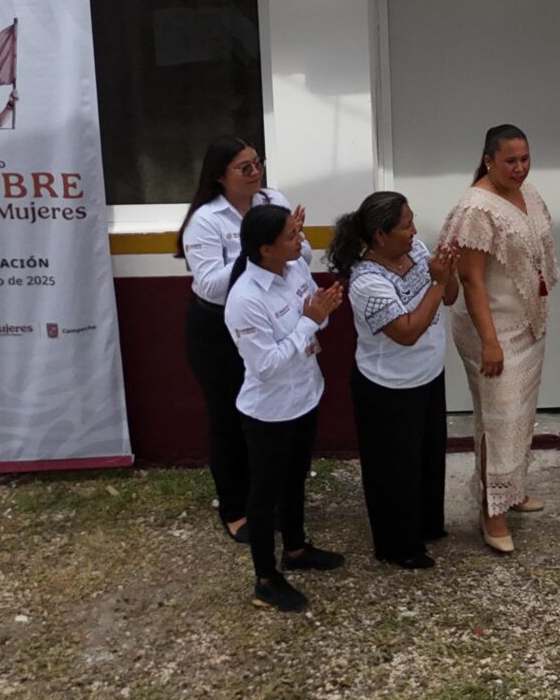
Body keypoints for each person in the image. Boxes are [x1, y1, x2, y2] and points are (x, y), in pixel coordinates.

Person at [440, 124, 559, 555]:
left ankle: (512, 489)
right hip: (491, 331)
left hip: (526, 324)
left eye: (525, 158)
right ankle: (492, 511)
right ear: (488, 160)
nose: (520, 167)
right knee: (497, 420)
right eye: (510, 160)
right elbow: (471, 280)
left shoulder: (528, 193)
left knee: (520, 417)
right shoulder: (477, 208)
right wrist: (490, 342)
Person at [176, 137, 302, 542]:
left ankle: (270, 498)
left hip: (268, 317)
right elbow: (210, 285)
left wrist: (289, 245)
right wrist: (255, 252)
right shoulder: (206, 219)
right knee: (230, 417)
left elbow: (298, 256)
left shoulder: (272, 200)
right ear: (219, 176)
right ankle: (235, 508)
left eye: (257, 163)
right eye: (244, 168)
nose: (255, 173)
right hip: (217, 329)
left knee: (271, 413)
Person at [225, 203, 344, 613]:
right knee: (265, 495)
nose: (301, 240)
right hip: (270, 412)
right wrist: (310, 321)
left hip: (305, 396)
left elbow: (316, 318)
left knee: (295, 479)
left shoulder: (294, 270)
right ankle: (265, 579)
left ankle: (295, 549)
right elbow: (266, 365)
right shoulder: (245, 299)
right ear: (265, 249)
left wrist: (321, 312)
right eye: (292, 236)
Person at [330, 193, 459, 570]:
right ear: (380, 235)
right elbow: (406, 332)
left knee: (428, 457)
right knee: (394, 470)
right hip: (388, 388)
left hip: (428, 375)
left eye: (412, 220)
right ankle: (398, 546)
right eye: (406, 225)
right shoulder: (366, 281)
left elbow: (450, 297)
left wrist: (448, 272)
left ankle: (426, 525)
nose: (414, 230)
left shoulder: (416, 251)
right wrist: (437, 283)